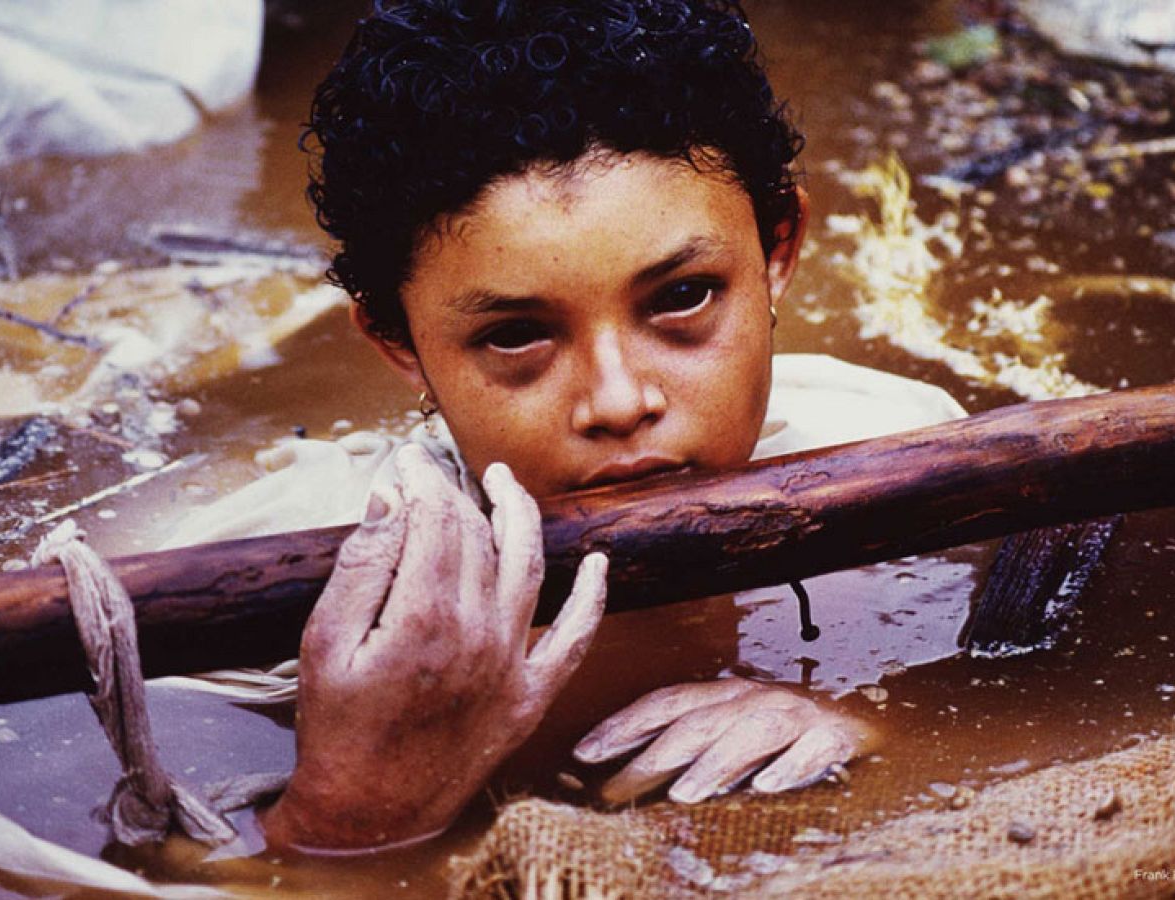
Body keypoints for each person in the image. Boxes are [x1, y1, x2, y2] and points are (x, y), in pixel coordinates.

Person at [161, 0, 965, 853]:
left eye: (683, 296)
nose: (618, 402)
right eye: (515, 336)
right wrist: (350, 811)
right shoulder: (256, 616)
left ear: (777, 251)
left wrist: (872, 723)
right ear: (400, 342)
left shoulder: (909, 460)